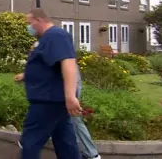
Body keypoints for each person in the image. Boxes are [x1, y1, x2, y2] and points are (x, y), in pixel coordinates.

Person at [15, 24, 101, 159]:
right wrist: (25, 75)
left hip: (58, 98)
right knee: (64, 135)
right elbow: (45, 70)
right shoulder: (48, 45)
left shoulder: (57, 45)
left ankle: (92, 154)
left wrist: (71, 97)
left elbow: (67, 73)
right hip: (58, 99)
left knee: (71, 124)